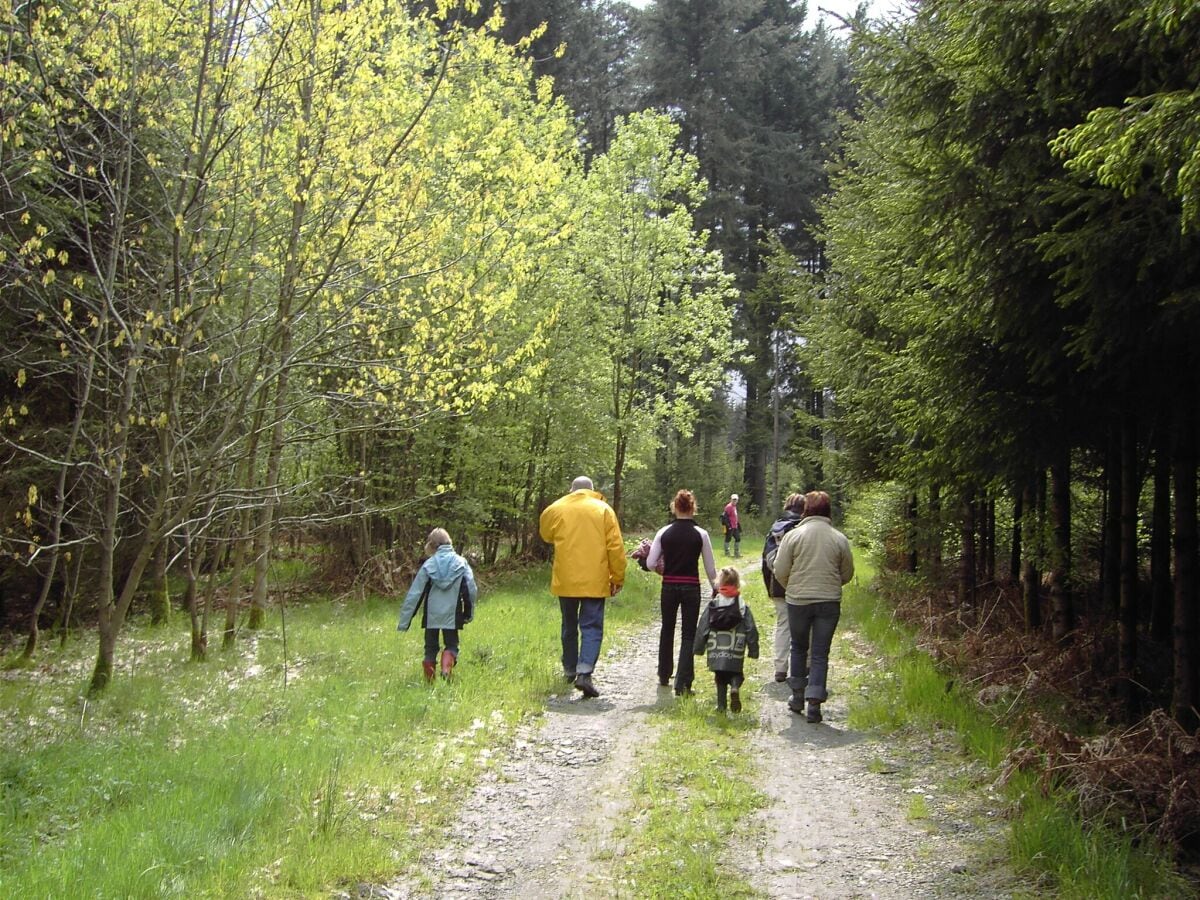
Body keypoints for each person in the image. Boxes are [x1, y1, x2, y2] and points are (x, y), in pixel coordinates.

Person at [539, 475, 626, 698]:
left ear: (571, 490)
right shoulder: (603, 510)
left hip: (566, 579)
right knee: (591, 627)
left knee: (568, 625)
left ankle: (569, 669)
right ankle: (585, 672)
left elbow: (546, 535)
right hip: (594, 580)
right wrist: (617, 577)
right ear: (592, 490)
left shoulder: (555, 509)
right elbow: (615, 547)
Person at [771, 491, 854, 723]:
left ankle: (797, 696)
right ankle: (815, 702)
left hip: (798, 600)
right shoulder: (839, 539)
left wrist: (792, 587)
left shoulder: (793, 536)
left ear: (806, 510)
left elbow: (780, 569)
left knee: (798, 647)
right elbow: (846, 573)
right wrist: (831, 585)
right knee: (820, 652)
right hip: (828, 602)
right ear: (828, 511)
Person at [645, 489, 718, 696]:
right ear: (693, 508)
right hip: (691, 587)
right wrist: (716, 587)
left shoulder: (664, 532)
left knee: (667, 629)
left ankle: (663, 673)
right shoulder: (701, 534)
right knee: (688, 634)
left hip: (669, 586)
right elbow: (710, 569)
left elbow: (650, 562)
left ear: (674, 507)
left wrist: (662, 568)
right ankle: (683, 682)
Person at [397, 527, 478, 682]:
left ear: (432, 545)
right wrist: (468, 613)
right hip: (452, 614)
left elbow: (415, 594)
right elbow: (470, 590)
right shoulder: (461, 563)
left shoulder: (429, 565)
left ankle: (430, 683)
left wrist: (404, 622)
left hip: (431, 616)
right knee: (452, 645)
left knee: (430, 648)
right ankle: (446, 670)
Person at [694, 566, 759, 713]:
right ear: (737, 584)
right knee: (736, 673)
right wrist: (753, 649)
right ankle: (735, 687)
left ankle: (721, 705)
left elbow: (703, 626)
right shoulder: (742, 606)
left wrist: (698, 647)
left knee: (720, 677)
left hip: (716, 648)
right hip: (735, 647)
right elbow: (751, 628)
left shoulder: (714, 604)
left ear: (719, 584)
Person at [762, 493, 807, 683]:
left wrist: (771, 587)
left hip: (779, 586)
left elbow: (767, 560)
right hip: (804, 585)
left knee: (783, 625)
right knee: (807, 626)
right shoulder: (805, 528)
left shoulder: (777, 528)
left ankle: (780, 668)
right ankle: (806, 666)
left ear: (787, 506)